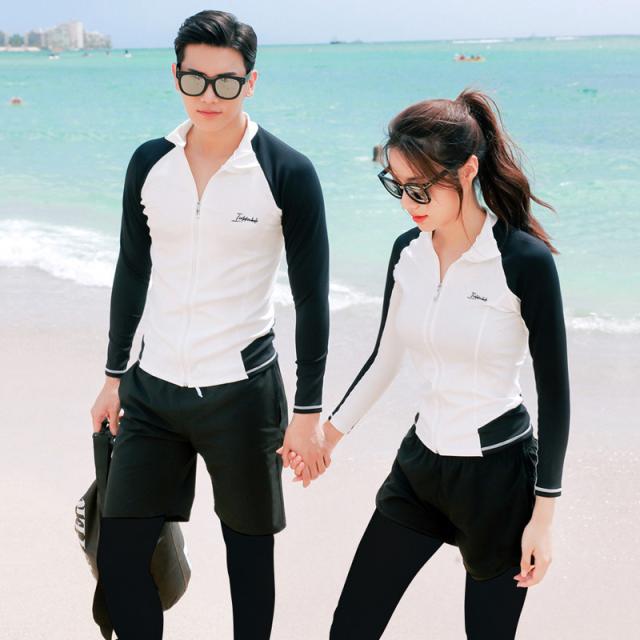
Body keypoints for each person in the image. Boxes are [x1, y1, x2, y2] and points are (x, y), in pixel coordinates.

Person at [284, 88, 570, 639]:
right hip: (421, 468)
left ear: (467, 171)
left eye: (420, 188)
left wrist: (544, 517)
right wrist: (326, 438)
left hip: (497, 480)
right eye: (397, 185)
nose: (408, 202)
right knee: (351, 628)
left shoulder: (522, 261)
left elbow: (555, 397)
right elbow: (385, 358)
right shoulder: (407, 252)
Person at [90, 10, 331, 639]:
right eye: (195, 79)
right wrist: (113, 376)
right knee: (120, 560)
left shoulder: (287, 172)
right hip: (152, 390)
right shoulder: (150, 163)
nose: (210, 96)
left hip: (242, 396)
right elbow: (131, 270)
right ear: (175, 76)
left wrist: (308, 413)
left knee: (247, 564)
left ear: (251, 82)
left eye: (227, 81)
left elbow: (312, 299)